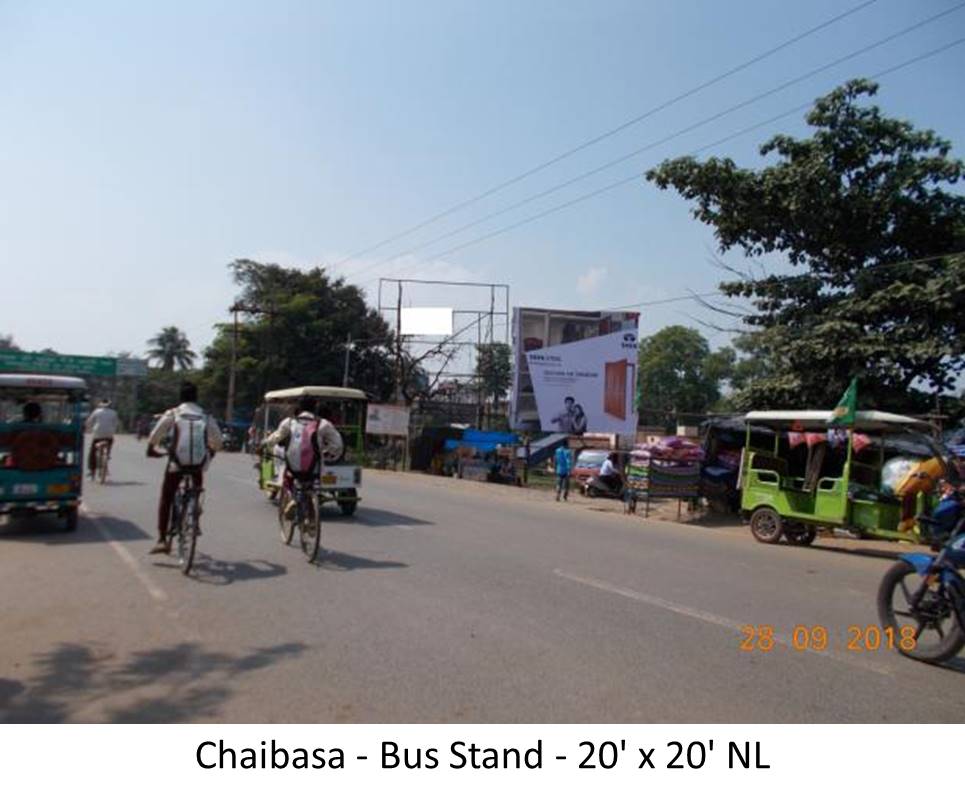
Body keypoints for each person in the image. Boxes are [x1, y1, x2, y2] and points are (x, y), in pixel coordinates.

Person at [146, 381, 222, 554]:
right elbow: (217, 441)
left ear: (180, 397)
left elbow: (155, 435)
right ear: (196, 398)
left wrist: (151, 448)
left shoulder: (173, 413)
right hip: (198, 465)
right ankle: (195, 516)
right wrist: (211, 452)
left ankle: (162, 540)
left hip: (177, 464)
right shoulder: (205, 415)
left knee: (167, 497)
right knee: (197, 486)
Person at [263, 396, 343, 513]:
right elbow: (337, 445)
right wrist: (326, 454)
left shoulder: (288, 422)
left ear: (299, 408)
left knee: (286, 475)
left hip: (293, 467)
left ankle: (291, 499)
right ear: (315, 408)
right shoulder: (323, 424)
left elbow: (274, 438)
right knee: (311, 481)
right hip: (314, 468)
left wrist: (264, 444)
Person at [85, 398, 119, 478]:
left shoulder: (96, 411)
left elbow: (89, 422)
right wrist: (113, 430)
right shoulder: (114, 412)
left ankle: (92, 470)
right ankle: (107, 454)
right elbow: (116, 424)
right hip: (109, 434)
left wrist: (89, 428)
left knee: (92, 452)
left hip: (97, 435)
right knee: (111, 441)